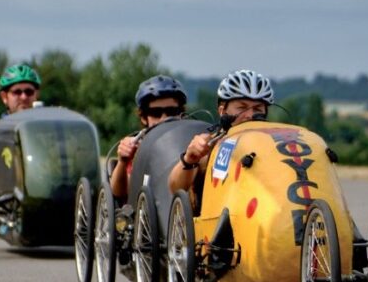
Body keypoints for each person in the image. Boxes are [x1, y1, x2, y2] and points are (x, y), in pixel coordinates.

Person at [167, 69, 274, 198]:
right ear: (223, 111)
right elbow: (175, 188)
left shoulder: (274, 147)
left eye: (257, 109)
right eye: (242, 107)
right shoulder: (210, 146)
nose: (250, 115)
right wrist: (189, 159)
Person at [110, 75, 188, 198]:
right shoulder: (136, 146)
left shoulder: (190, 142)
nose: (164, 118)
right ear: (143, 117)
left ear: (181, 113)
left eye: (172, 112)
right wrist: (122, 161)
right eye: (156, 113)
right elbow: (119, 192)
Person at [0, 64, 42, 139]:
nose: (24, 97)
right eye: (17, 92)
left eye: (29, 92)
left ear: (36, 94)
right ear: (4, 97)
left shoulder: (48, 127)